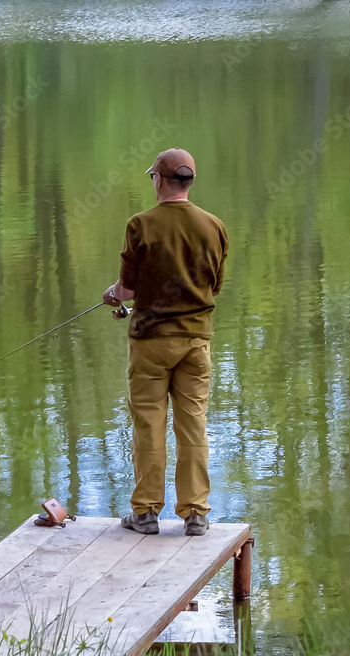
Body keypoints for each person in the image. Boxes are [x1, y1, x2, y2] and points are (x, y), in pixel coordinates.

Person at [102, 147, 228, 537]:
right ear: (189, 181)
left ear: (159, 179)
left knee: (149, 426)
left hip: (151, 344)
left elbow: (129, 288)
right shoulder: (214, 226)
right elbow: (215, 286)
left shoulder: (140, 224)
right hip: (195, 342)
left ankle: (145, 514)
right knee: (193, 426)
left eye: (152, 177)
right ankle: (195, 514)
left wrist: (113, 293)